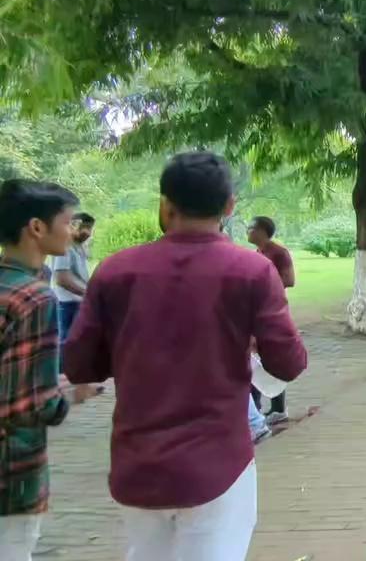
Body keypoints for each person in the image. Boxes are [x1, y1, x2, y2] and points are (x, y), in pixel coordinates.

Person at [64, 151, 308, 561]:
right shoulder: (250, 271)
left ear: (165, 204)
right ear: (229, 207)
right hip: (218, 463)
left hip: (137, 464)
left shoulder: (115, 271)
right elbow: (289, 362)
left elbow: (80, 365)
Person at [0, 180, 79, 561]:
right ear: (36, 227)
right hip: (12, 474)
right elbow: (34, 403)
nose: (73, 231)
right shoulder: (34, 299)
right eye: (68, 221)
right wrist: (69, 397)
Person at [247, 216, 294, 424]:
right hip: (257, 312)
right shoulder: (258, 253)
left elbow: (290, 280)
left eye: (251, 227)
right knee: (255, 360)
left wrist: (266, 284)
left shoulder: (279, 252)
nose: (248, 231)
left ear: (262, 230)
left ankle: (278, 408)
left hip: (273, 312)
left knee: (270, 359)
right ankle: (257, 407)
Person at [50, 212, 93, 345]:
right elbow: (62, 279)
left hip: (77, 302)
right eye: (83, 226)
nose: (86, 231)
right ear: (72, 226)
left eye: (89, 228)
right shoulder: (65, 246)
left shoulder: (79, 247)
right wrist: (89, 293)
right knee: (66, 343)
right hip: (66, 304)